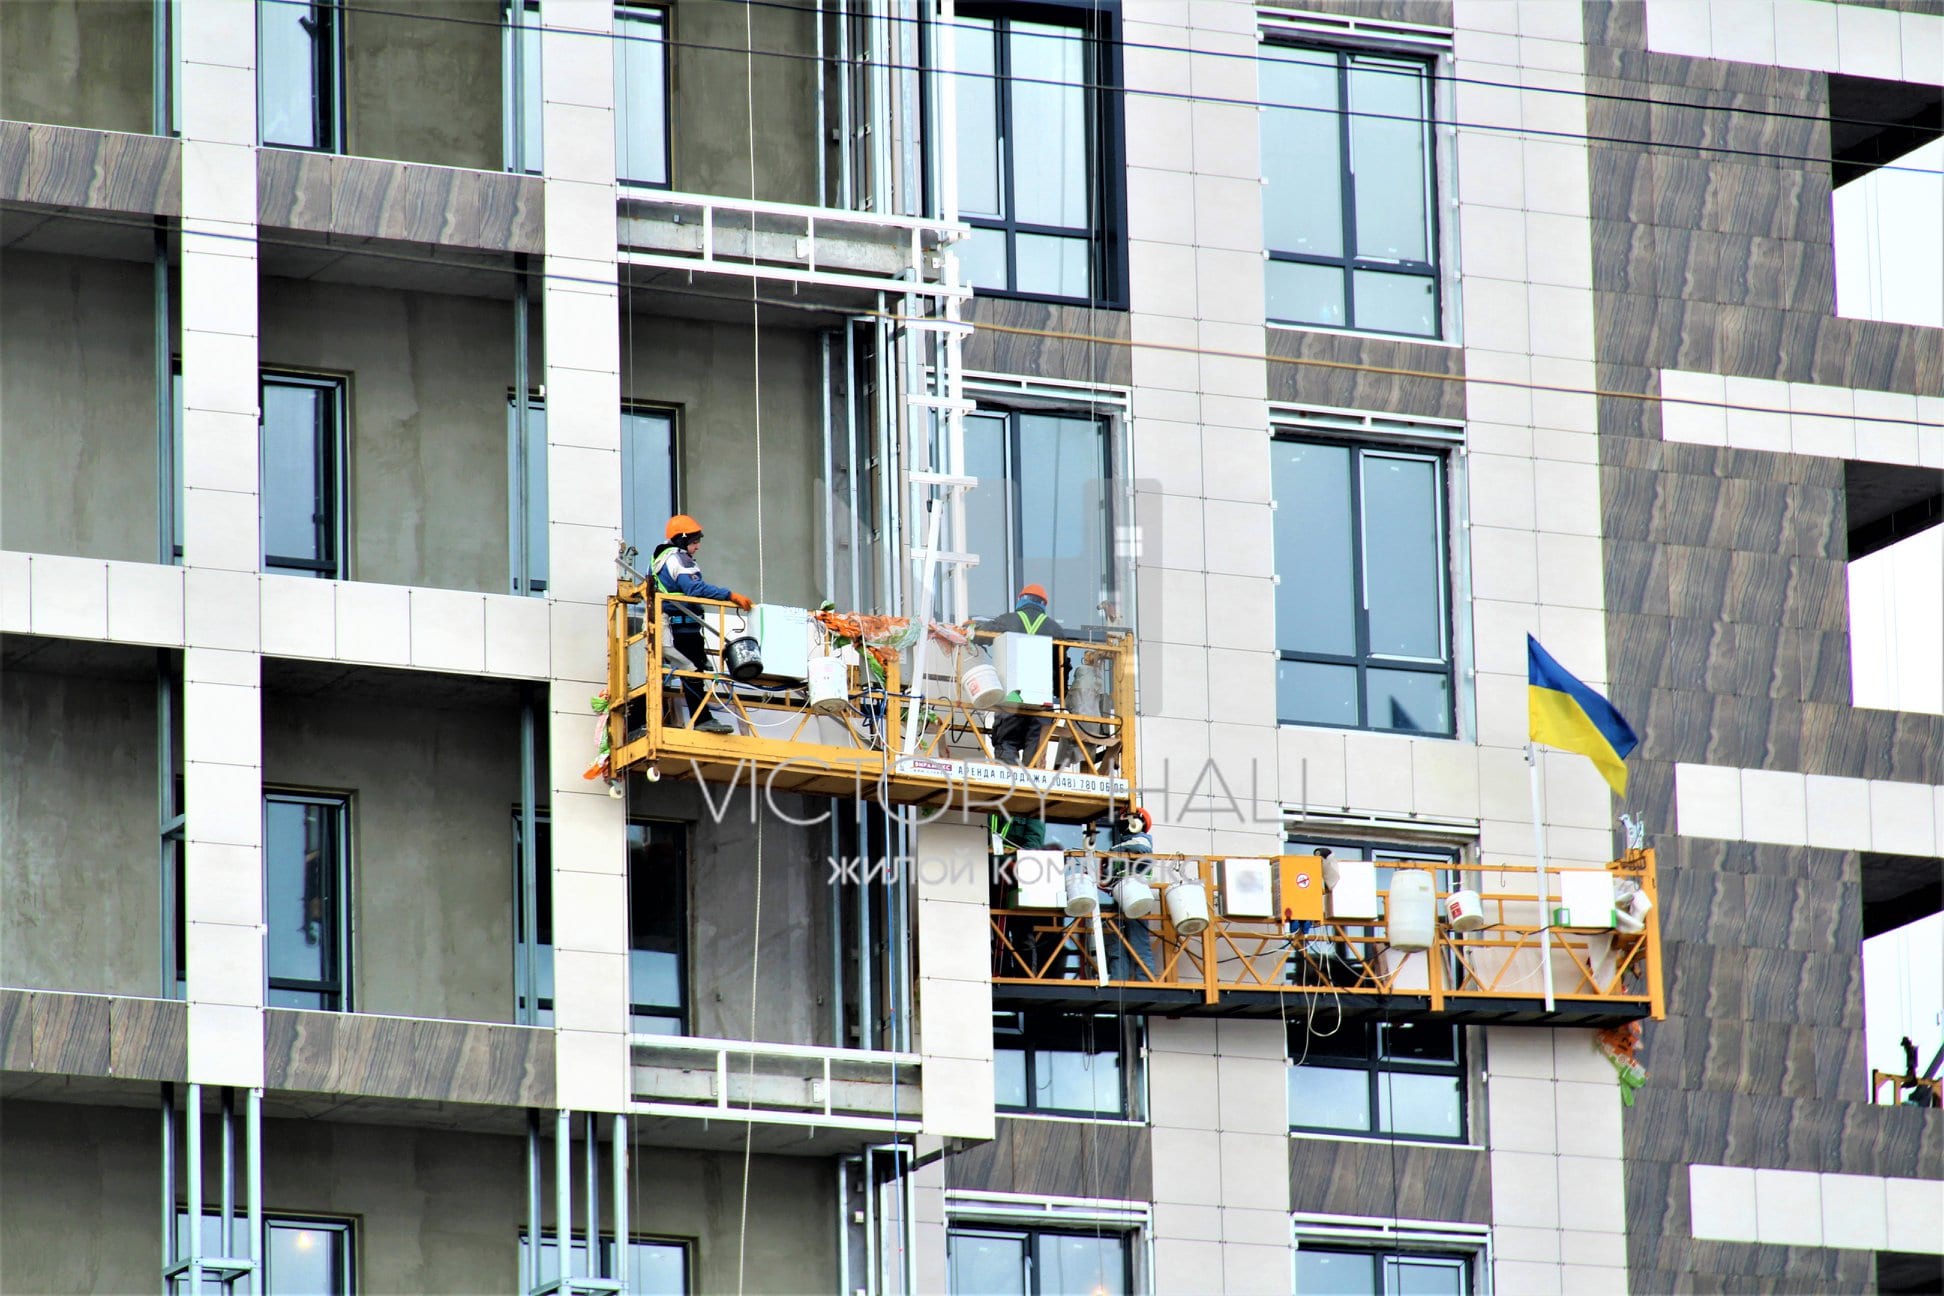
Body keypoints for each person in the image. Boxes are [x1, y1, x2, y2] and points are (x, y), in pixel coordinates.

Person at [650, 514, 752, 735]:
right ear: (682, 539)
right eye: (694, 541)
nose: (697, 547)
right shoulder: (680, 559)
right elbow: (694, 590)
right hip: (683, 626)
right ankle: (702, 719)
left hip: (673, 625)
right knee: (693, 673)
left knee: (687, 671)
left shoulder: (658, 560)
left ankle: (667, 717)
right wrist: (729, 595)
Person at [980, 583, 1063, 764]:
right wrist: (1057, 695)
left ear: (1020, 600)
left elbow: (981, 635)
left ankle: (1009, 780)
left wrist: (972, 628)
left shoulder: (1008, 620)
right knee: (1036, 746)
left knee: (1007, 741)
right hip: (1042, 701)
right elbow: (1062, 667)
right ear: (1043, 605)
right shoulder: (1055, 629)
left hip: (1013, 697)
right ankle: (1032, 782)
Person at [1097, 807, 1155, 981]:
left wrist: (1112, 851)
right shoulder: (1121, 846)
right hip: (1121, 900)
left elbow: (1139, 848)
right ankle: (1117, 982)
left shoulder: (1142, 840)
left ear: (1137, 822)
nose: (1121, 820)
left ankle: (1145, 985)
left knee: (1139, 945)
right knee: (1117, 947)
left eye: (1125, 817)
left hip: (1138, 899)